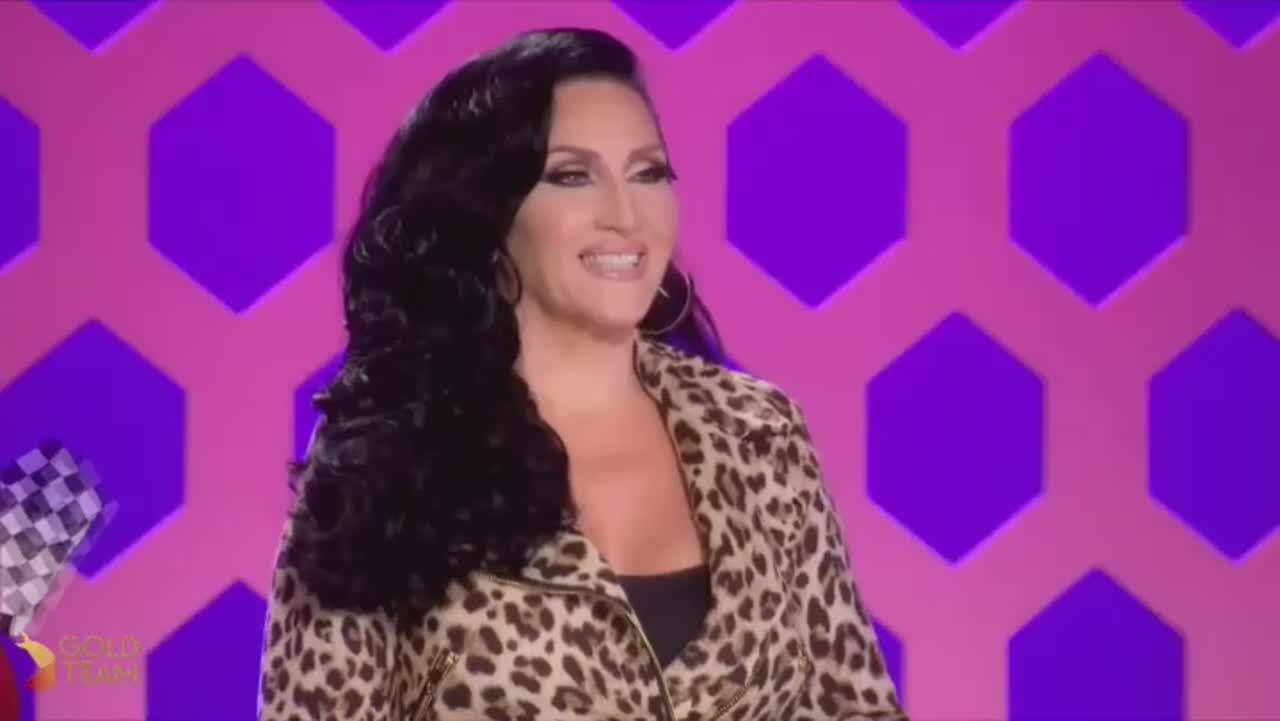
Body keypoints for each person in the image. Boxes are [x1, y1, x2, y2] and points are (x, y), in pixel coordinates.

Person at [257, 27, 905, 721]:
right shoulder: (388, 452)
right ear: (487, 214)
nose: (627, 217)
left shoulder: (759, 434)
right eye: (572, 176)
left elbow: (853, 707)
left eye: (648, 173)